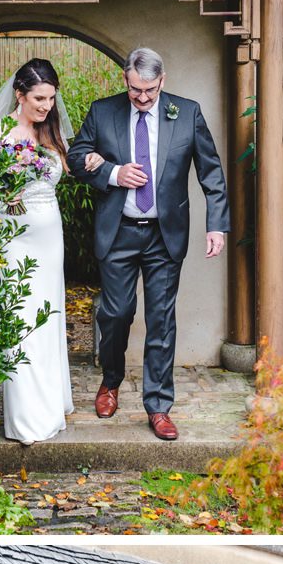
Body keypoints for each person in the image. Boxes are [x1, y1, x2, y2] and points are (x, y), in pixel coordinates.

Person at [67, 46, 230, 442]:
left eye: (150, 91)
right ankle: (110, 380)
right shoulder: (102, 111)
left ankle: (159, 406)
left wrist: (216, 225)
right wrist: (112, 172)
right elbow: (75, 157)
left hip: (164, 235)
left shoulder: (186, 113)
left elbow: (211, 171)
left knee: (161, 321)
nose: (142, 98)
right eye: (136, 90)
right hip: (119, 231)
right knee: (116, 314)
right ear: (125, 79)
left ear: (163, 81)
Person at [0, 57, 73, 443]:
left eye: (51, 98)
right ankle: (26, 416)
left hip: (50, 237)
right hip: (13, 237)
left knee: (48, 314)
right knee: (20, 316)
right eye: (38, 98)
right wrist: (7, 191)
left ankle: (51, 399)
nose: (46, 106)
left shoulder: (50, 135)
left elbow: (67, 171)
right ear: (19, 94)